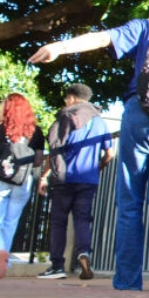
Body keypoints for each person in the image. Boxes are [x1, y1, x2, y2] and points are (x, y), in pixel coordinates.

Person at [29, 0, 149, 291]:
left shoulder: (144, 27)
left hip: (142, 114)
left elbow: (102, 38)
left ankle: (128, 281)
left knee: (130, 201)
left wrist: (59, 47)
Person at [36, 83, 115, 280]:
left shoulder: (66, 116)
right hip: (88, 179)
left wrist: (44, 176)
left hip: (65, 178)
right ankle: (84, 253)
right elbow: (109, 153)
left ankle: (57, 266)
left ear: (71, 98)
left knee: (58, 221)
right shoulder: (100, 122)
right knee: (82, 218)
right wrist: (97, 167)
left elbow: (55, 149)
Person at [0, 93, 45, 279]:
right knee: (10, 224)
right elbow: (38, 161)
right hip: (23, 181)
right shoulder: (36, 132)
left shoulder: (1, 128)